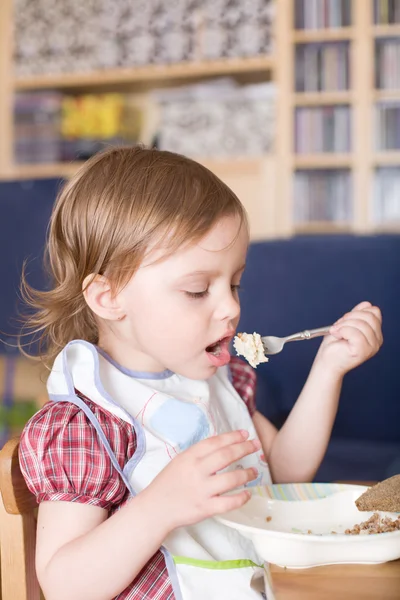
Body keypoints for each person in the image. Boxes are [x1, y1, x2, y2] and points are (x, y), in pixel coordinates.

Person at [18, 146, 383, 600]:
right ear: (109, 297)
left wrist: (328, 369)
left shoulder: (218, 382)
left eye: (234, 284)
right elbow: (64, 586)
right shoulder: (89, 424)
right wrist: (159, 507)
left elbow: (285, 472)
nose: (231, 307)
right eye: (197, 290)